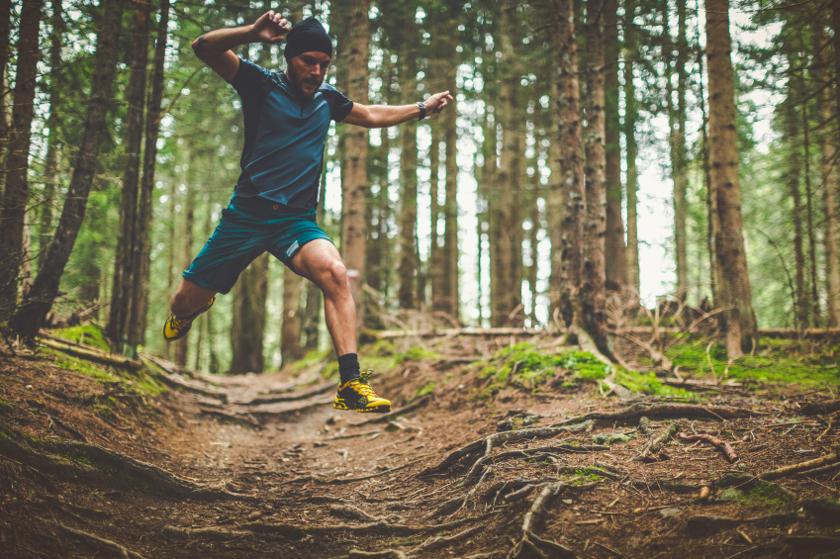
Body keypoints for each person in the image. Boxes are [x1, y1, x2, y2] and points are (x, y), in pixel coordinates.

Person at [162, 12, 453, 413]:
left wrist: (422, 107)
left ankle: (350, 383)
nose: (316, 71)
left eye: (323, 64)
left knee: (334, 273)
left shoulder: (327, 99)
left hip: (294, 222)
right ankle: (193, 307)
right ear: (290, 58)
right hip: (246, 216)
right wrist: (251, 33)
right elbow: (204, 47)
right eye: (308, 61)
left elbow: (369, 114)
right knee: (182, 304)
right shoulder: (260, 85)